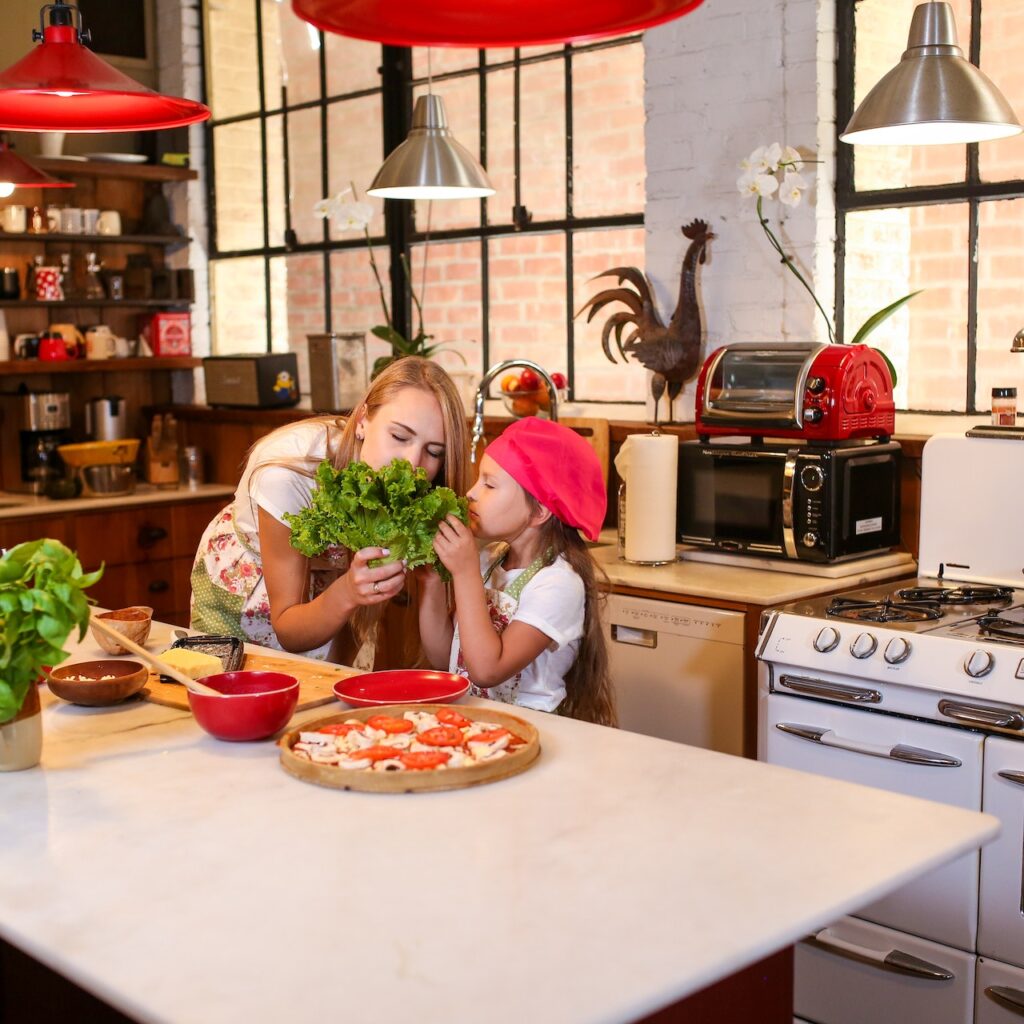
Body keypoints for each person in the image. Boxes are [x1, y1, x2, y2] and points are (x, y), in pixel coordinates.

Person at [190, 356, 470, 666]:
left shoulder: (415, 495)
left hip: (340, 591)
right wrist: (349, 591)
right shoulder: (288, 474)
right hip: (248, 589)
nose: (413, 464)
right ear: (363, 419)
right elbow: (289, 630)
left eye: (434, 452)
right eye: (400, 437)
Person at [418, 417, 616, 726]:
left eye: (489, 484)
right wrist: (431, 585)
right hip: (475, 725)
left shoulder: (557, 584)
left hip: (533, 732)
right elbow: (447, 659)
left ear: (539, 511)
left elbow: (487, 670)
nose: (471, 492)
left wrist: (465, 572)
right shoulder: (489, 560)